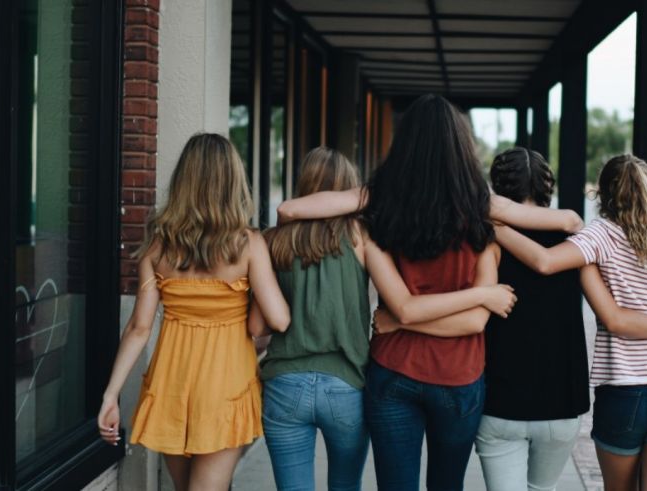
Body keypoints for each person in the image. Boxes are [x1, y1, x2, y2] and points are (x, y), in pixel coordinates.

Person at [275, 95, 582, 490]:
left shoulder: (380, 199)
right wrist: (486, 274)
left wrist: (401, 319)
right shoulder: (481, 206)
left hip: (393, 372)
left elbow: (289, 210)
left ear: (404, 146)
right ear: (461, 147)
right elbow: (569, 220)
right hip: (459, 377)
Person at [251, 146, 519, 491]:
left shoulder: (271, 242)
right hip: (345, 383)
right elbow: (402, 301)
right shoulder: (362, 237)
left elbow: (259, 325)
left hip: (285, 383)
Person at [475, 148, 647, 491]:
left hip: (605, 391)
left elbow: (548, 265)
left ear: (603, 196)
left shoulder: (595, 238)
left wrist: (494, 230)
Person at [96, 133, 291, 491]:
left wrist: (112, 394)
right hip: (226, 386)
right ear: (234, 182)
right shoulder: (249, 244)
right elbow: (279, 319)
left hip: (172, 383)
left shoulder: (158, 245)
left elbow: (139, 328)